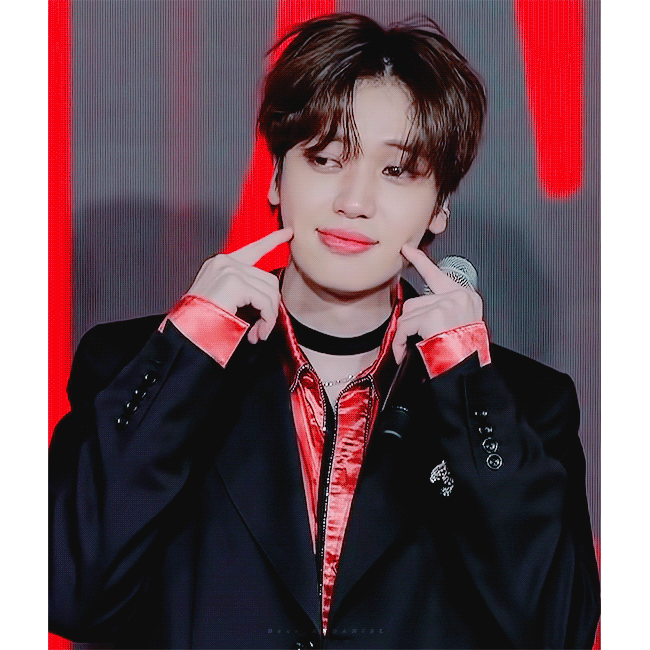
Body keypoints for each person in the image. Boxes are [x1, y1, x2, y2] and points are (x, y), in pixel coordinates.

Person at [49, 13, 600, 649]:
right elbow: (70, 594)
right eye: (326, 158)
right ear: (277, 177)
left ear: (440, 206)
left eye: (397, 171)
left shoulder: (523, 405)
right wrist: (186, 356)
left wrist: (467, 388)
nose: (354, 201)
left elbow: (557, 631)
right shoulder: (134, 366)